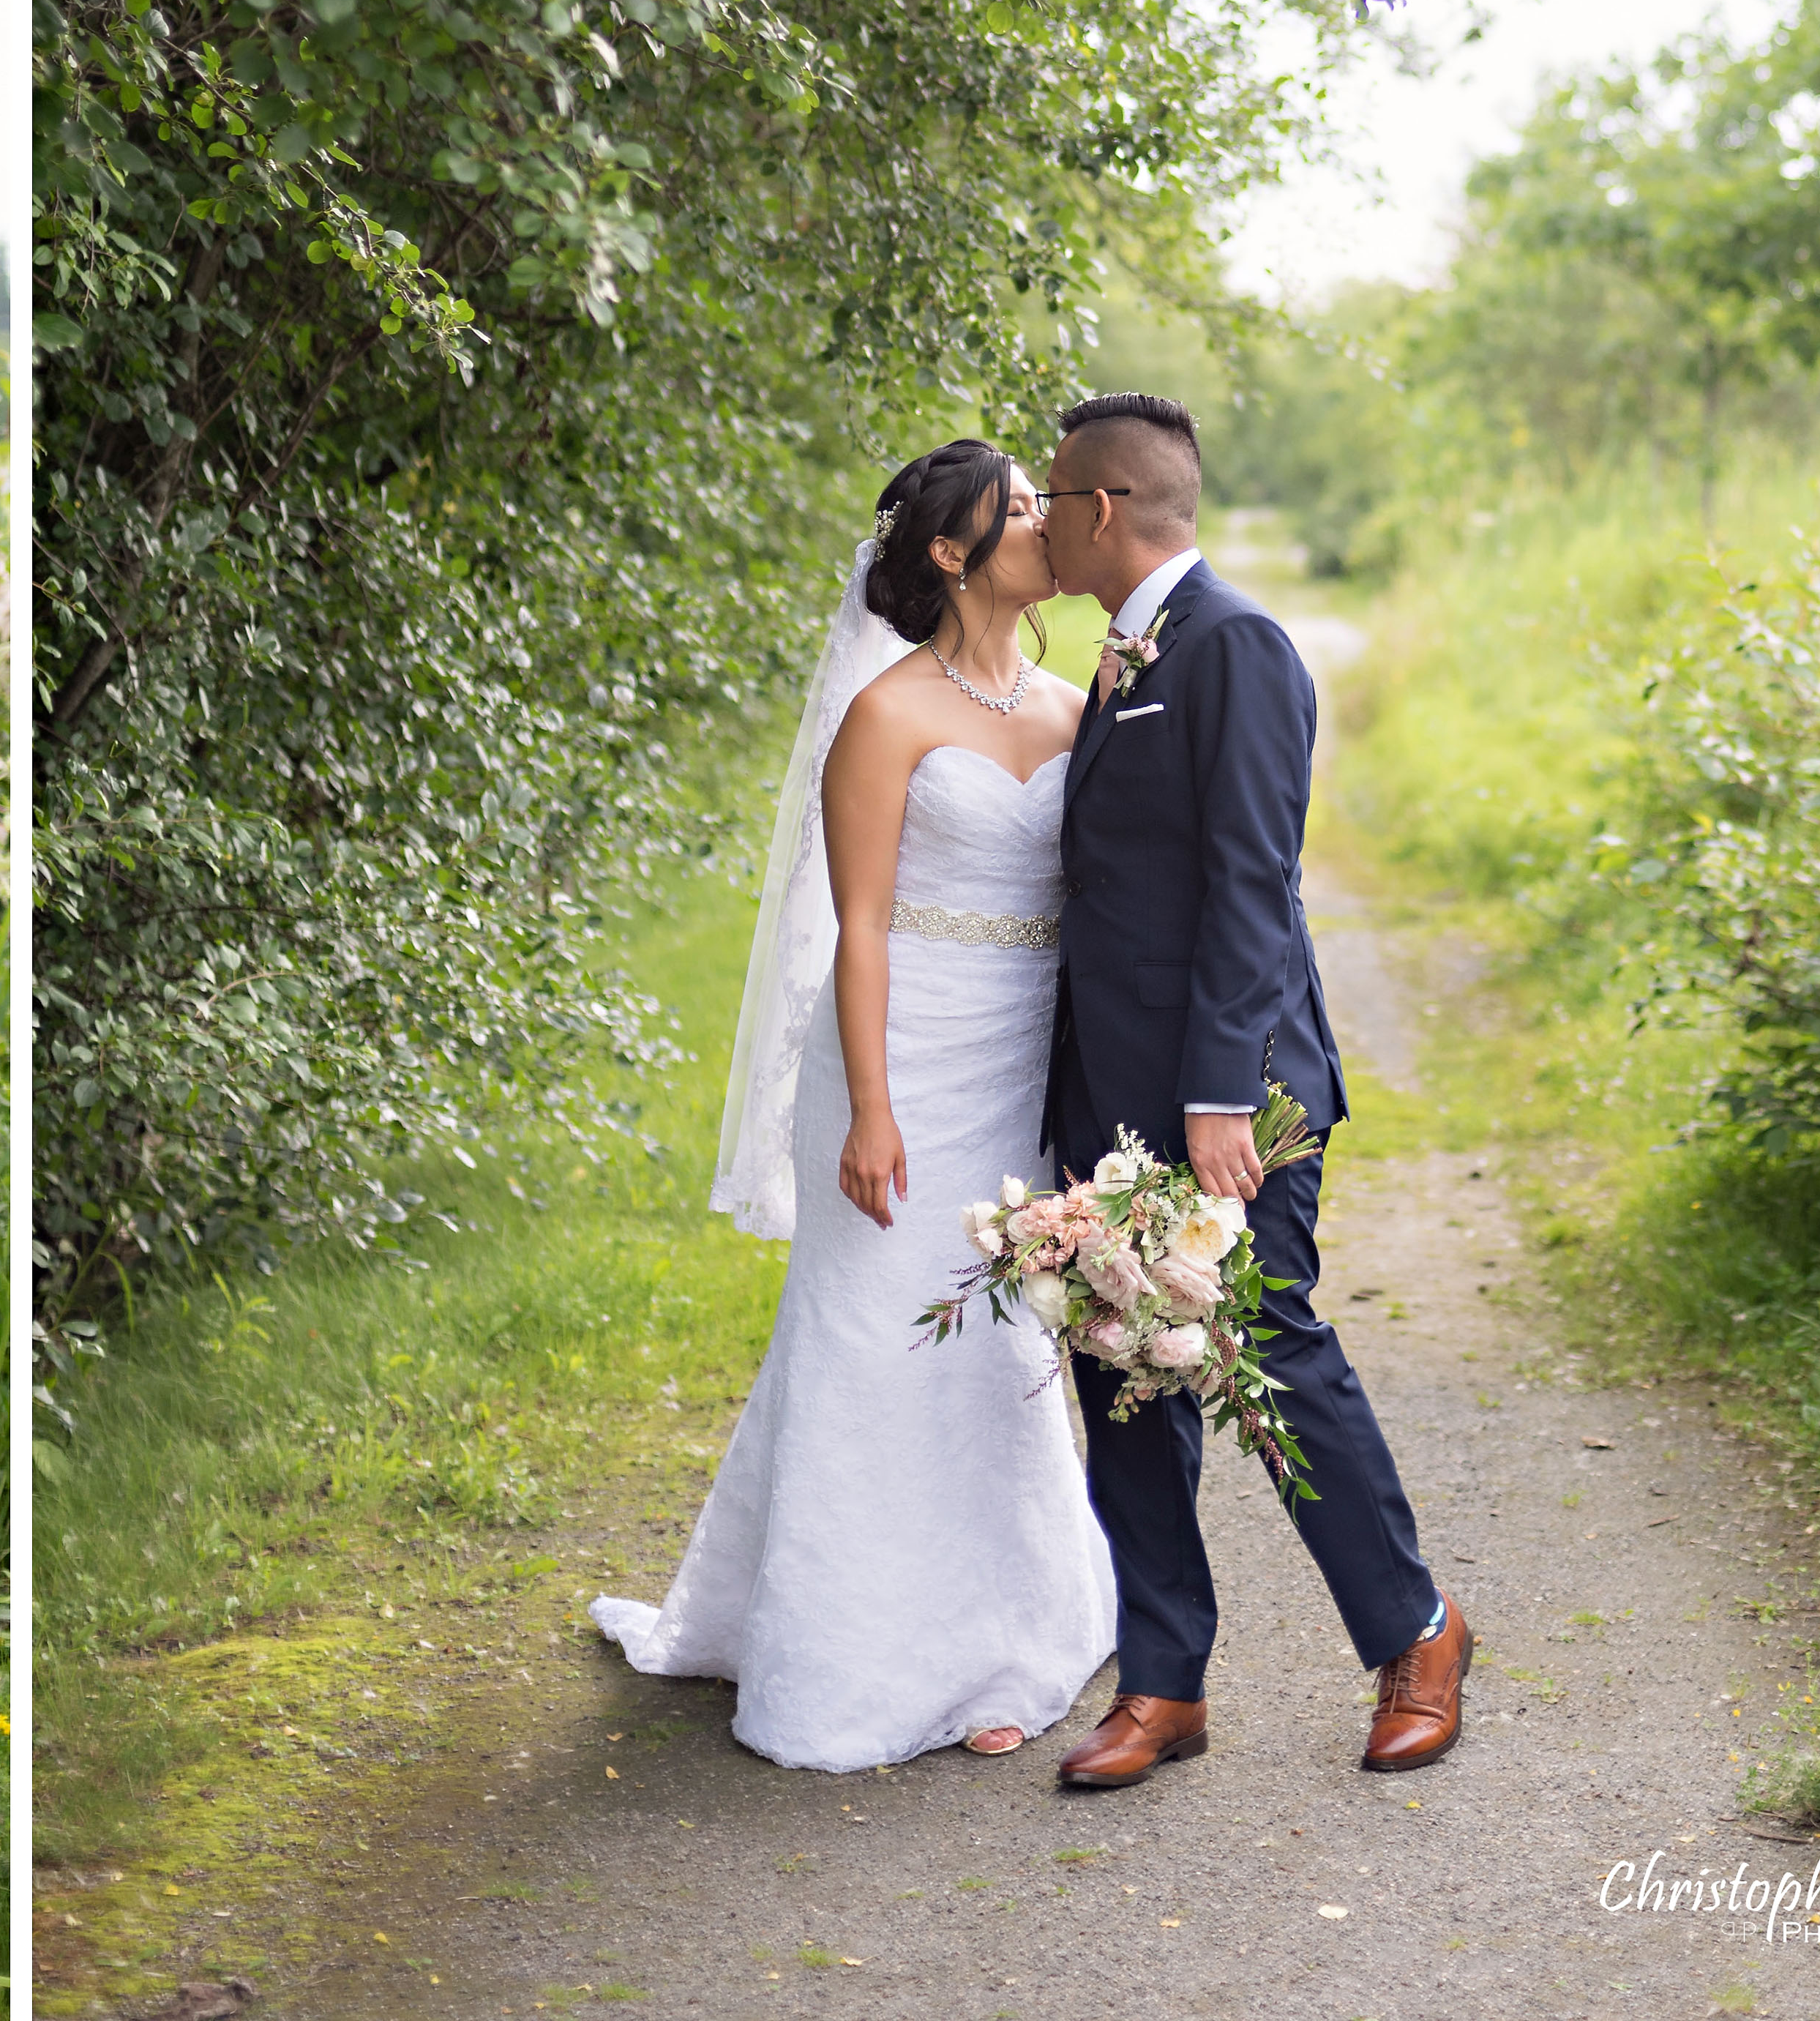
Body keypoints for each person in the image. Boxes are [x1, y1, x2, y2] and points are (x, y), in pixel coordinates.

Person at [593, 441, 1117, 1768]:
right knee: (877, 1324)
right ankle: (860, 1649)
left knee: (997, 1329)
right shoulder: (884, 717)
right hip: (898, 1051)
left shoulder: (1077, 705)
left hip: (1017, 1060)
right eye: (1016, 513)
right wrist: (869, 1111)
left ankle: (999, 1636)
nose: (1043, 524)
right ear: (952, 553)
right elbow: (863, 925)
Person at [1035, 389, 1469, 1785]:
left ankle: (1417, 1630)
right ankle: (1163, 1683)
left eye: (1051, 498)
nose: (1037, 519)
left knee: (1266, 1346)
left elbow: (1251, 885)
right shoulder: (1114, 656)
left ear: (1104, 509)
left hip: (1240, 1094)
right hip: (1105, 1088)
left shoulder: (1236, 648)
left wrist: (1222, 1092)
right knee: (1125, 1371)